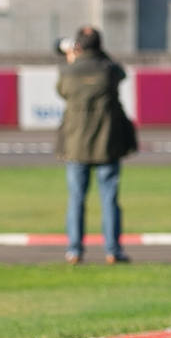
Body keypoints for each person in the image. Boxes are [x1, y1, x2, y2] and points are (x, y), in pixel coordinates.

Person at [55, 26, 137, 264]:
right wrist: (102, 55)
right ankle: (113, 250)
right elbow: (122, 73)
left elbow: (61, 91)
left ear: (78, 46)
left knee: (76, 199)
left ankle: (74, 250)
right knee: (109, 198)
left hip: (75, 144)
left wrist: (73, 60)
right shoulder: (108, 70)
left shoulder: (68, 72)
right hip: (107, 143)